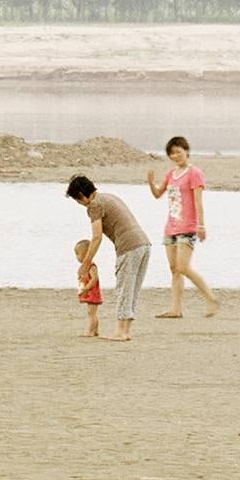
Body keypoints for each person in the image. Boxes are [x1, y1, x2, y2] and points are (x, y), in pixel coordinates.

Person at [65, 172, 148, 340]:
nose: (80, 204)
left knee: (124, 288)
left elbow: (96, 237)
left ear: (81, 196)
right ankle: (126, 331)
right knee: (132, 289)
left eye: (77, 200)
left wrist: (85, 264)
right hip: (144, 245)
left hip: (129, 247)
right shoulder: (108, 197)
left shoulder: (94, 205)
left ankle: (120, 332)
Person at [148, 136, 215, 314]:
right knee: (174, 269)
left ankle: (211, 298)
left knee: (183, 267)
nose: (176, 156)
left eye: (178, 151)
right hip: (171, 227)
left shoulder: (194, 173)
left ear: (186, 150)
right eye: (172, 153)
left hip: (188, 227)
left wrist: (201, 226)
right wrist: (150, 181)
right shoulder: (171, 174)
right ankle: (176, 309)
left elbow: (198, 202)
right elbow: (157, 194)